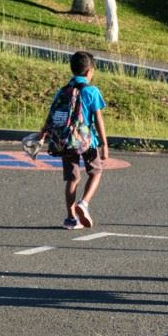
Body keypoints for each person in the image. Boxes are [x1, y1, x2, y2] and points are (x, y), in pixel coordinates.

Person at [47, 51, 109, 230]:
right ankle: (84, 203)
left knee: (72, 178)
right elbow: (98, 118)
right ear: (89, 71)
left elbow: (53, 114)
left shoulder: (63, 91)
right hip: (87, 141)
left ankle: (70, 218)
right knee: (96, 171)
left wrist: (43, 133)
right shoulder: (91, 91)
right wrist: (104, 144)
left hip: (66, 140)